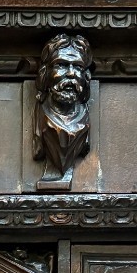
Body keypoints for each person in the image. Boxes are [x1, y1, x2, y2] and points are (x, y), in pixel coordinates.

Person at [34, 33, 93, 185]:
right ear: (45, 73)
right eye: (61, 65)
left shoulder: (83, 121)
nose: (71, 74)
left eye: (78, 67)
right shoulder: (42, 117)